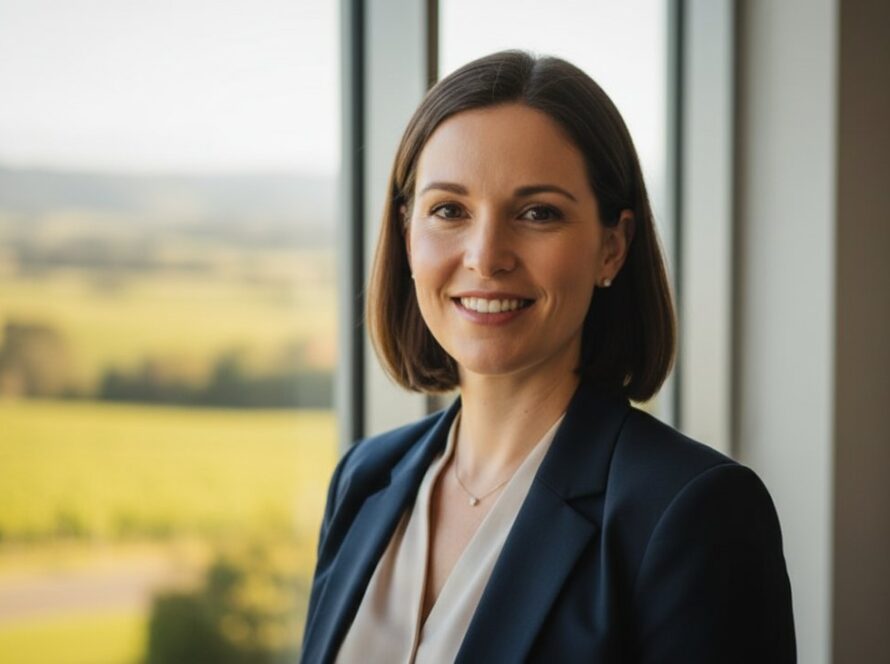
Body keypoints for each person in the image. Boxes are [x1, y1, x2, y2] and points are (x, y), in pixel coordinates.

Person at [299, 50, 796, 664]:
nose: (486, 255)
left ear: (612, 248)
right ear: (406, 234)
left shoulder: (693, 512)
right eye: (449, 210)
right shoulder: (364, 480)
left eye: (538, 213)